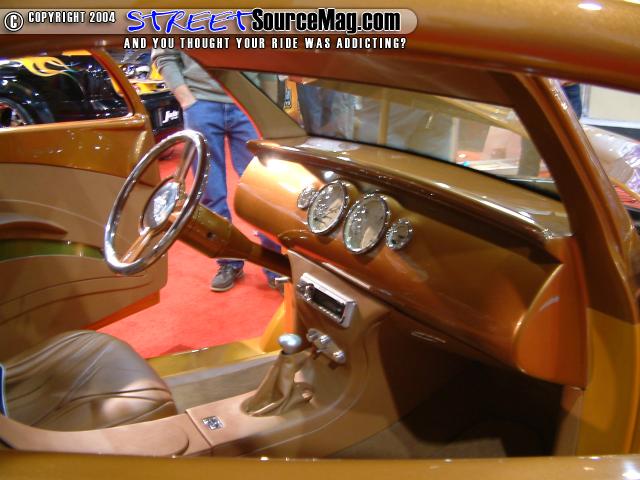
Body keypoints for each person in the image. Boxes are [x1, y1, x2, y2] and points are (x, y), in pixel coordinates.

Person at [152, 48, 280, 292]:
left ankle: (275, 264)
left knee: (262, 188)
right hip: (201, 104)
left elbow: (268, 57)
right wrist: (187, 100)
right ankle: (228, 261)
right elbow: (164, 55)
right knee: (210, 188)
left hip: (249, 103)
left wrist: (266, 106)